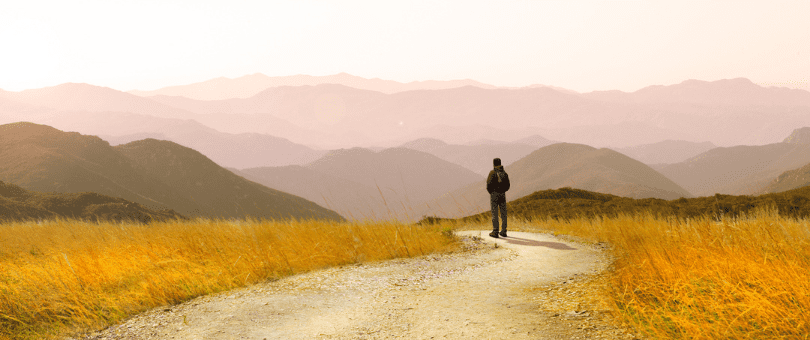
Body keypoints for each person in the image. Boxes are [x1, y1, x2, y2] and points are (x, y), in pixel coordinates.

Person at [486, 157, 510, 238]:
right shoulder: (504, 173)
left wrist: (492, 192)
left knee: (494, 212)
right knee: (503, 212)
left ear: (494, 164)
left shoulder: (492, 173)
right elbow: (508, 185)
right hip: (502, 194)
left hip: (494, 195)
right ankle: (504, 231)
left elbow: (488, 185)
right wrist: (502, 191)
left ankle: (495, 231)